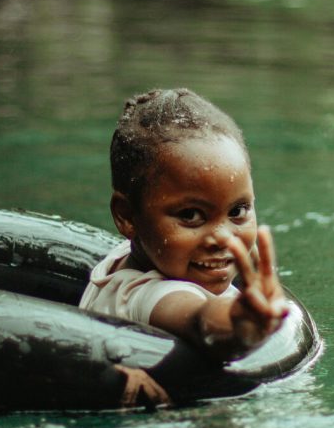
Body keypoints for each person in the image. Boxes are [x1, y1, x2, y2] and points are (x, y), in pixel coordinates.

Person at [80, 89, 289, 398]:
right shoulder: (149, 295)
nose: (223, 237)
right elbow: (199, 319)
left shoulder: (133, 257)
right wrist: (239, 326)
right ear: (127, 217)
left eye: (237, 211)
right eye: (191, 215)